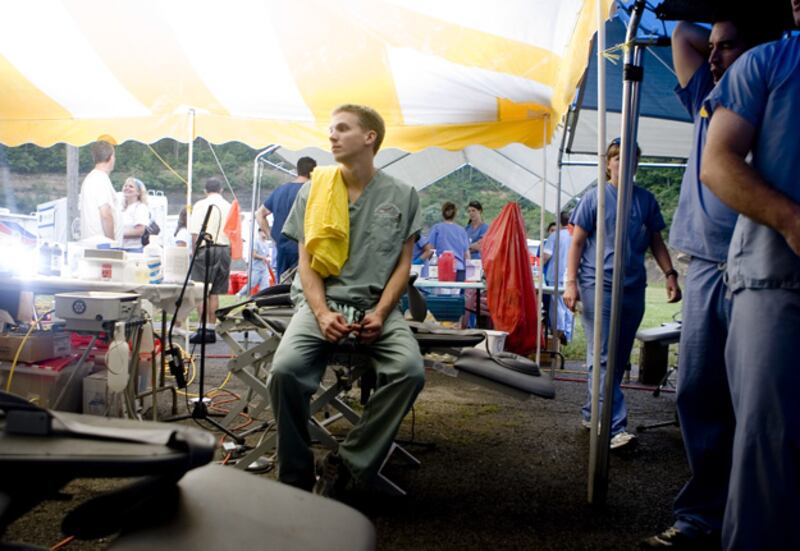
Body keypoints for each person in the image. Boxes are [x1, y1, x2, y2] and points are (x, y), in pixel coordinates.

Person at [642, 15, 787, 550]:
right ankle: (702, 514)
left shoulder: (775, 82)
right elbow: (683, 32)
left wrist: (750, 44)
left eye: (729, 47)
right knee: (699, 388)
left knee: (759, 400)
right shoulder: (708, 92)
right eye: (716, 47)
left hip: (767, 260)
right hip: (706, 261)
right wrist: (726, 34)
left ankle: (747, 518)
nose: (716, 56)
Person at [268, 104, 424, 497]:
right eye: (331, 129)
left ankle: (346, 463)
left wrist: (382, 312)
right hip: (323, 302)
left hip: (378, 307)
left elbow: (403, 267)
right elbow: (306, 263)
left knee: (410, 371)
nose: (332, 136)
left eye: (342, 128)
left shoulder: (404, 196)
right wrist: (320, 313)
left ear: (370, 137)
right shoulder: (314, 189)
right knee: (284, 372)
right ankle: (295, 478)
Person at [697, 6, 800, 547]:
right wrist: (791, 220)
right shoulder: (771, 63)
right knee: (768, 446)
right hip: (774, 280)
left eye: (725, 44)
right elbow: (717, 164)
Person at [564, 139, 681, 450]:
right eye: (617, 158)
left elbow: (656, 241)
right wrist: (570, 282)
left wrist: (670, 274)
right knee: (601, 357)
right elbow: (576, 243)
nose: (624, 163)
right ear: (608, 164)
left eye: (631, 159)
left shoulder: (645, 200)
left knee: (616, 361)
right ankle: (615, 427)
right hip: (596, 285)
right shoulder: (595, 198)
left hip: (632, 287)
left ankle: (593, 412)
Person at [256, 156, 317, 280]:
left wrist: (271, 236)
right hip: (303, 248)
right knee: (304, 286)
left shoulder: (280, 190)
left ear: (297, 170)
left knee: (282, 287)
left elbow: (259, 214)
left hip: (282, 247)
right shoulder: (312, 190)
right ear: (313, 172)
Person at [188, 177, 232, 344]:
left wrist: (194, 252)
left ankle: (202, 328)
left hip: (205, 248)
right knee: (215, 292)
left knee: (202, 291)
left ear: (205, 191)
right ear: (221, 190)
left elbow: (194, 233)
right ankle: (212, 329)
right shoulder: (229, 206)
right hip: (224, 248)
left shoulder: (200, 205)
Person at [540, 212, 574, 344]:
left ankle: (559, 333)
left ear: (559, 222)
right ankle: (568, 334)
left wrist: (538, 265)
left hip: (556, 275)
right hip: (570, 275)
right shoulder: (575, 235)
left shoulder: (555, 236)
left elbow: (547, 255)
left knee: (557, 306)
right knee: (569, 306)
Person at [79, 140, 119, 242]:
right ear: (110, 157)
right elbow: (105, 214)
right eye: (114, 156)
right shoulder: (100, 179)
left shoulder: (91, 178)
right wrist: (112, 243)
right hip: (101, 246)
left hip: (92, 244)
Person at [423, 202, 470, 281]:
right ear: (455, 214)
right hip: (459, 269)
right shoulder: (462, 231)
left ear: (442, 213)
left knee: (442, 293)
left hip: (442, 269)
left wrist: (421, 263)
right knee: (458, 293)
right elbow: (467, 255)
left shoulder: (437, 228)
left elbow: (430, 250)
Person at [120, 177, 150, 251]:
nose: (127, 188)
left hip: (133, 250)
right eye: (125, 186)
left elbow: (140, 231)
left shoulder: (140, 207)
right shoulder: (121, 209)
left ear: (138, 192)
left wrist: (118, 233)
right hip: (119, 248)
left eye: (131, 186)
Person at [249, 228, 272, 293]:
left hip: (264, 267)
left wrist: (268, 258)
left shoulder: (266, 243)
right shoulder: (256, 242)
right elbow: (253, 255)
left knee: (265, 285)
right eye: (263, 231)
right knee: (252, 283)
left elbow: (267, 255)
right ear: (259, 232)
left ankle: (262, 299)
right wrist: (263, 258)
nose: (264, 233)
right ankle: (240, 294)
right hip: (256, 267)